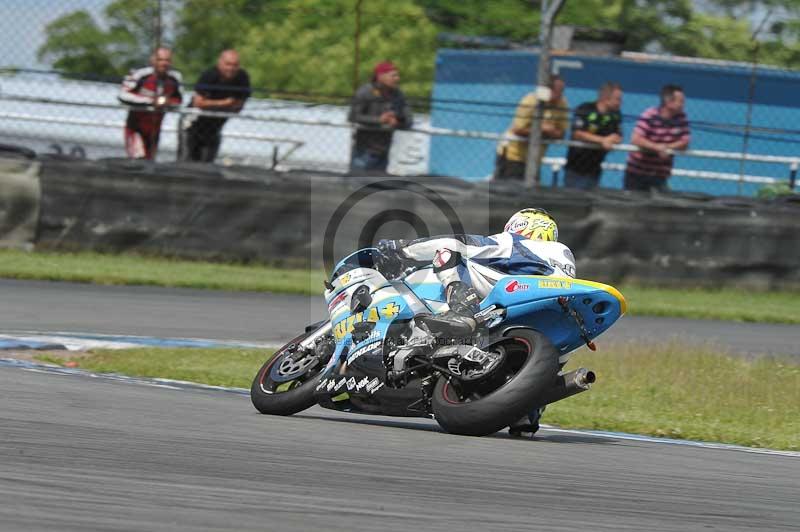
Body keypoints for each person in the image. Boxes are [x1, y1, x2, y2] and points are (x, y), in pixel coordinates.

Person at [377, 208, 575, 435]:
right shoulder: (562, 257)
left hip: (519, 291)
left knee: (448, 252)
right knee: (557, 358)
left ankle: (462, 309)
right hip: (554, 313)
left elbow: (462, 243)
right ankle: (527, 414)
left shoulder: (518, 242)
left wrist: (401, 250)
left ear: (521, 226)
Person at [179, 49, 251, 163]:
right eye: (228, 64)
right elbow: (198, 103)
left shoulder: (242, 78)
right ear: (220, 63)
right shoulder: (209, 75)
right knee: (187, 160)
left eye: (235, 65)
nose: (231, 69)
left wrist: (212, 104)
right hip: (192, 124)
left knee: (207, 163)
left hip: (214, 128)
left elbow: (238, 106)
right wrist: (225, 103)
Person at [494, 75, 569, 181]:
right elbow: (518, 130)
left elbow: (562, 133)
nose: (561, 95)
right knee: (508, 191)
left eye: (562, 91)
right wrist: (541, 129)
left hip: (535, 158)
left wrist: (551, 131)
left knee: (531, 192)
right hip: (514, 156)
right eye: (558, 91)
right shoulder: (531, 101)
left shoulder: (562, 104)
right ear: (549, 90)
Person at [348, 61, 413, 173]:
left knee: (375, 188)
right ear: (380, 76)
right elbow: (352, 116)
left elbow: (409, 120)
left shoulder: (398, 94)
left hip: (384, 151)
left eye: (397, 75)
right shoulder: (365, 91)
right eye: (393, 75)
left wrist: (397, 121)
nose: (397, 78)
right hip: (364, 149)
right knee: (357, 185)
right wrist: (379, 120)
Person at [118, 47, 182, 160]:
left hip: (154, 130)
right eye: (160, 60)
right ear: (152, 60)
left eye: (167, 60)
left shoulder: (175, 78)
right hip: (136, 127)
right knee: (137, 159)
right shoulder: (141, 74)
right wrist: (150, 101)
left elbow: (178, 100)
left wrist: (167, 102)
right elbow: (123, 95)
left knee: (149, 161)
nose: (164, 63)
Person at [624, 84, 690, 192]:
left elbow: (685, 141)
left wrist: (667, 147)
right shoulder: (650, 115)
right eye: (680, 101)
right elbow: (635, 138)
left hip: (660, 175)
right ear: (669, 102)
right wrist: (656, 147)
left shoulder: (681, 118)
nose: (683, 105)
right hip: (637, 173)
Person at [564, 82, 623, 189]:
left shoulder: (615, 115)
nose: (620, 103)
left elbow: (618, 136)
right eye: (617, 99)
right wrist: (602, 140)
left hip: (595, 170)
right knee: (573, 201)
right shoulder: (585, 108)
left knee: (589, 203)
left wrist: (613, 140)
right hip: (576, 169)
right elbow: (577, 133)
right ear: (606, 98)